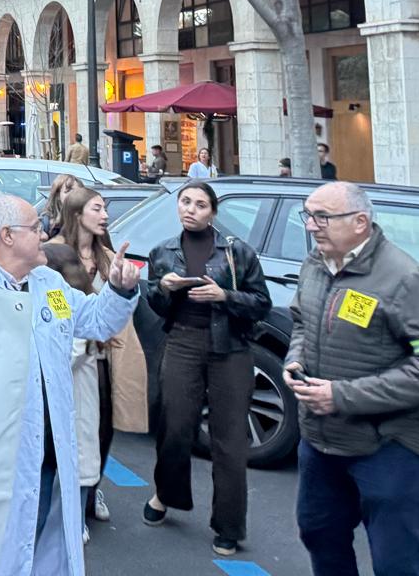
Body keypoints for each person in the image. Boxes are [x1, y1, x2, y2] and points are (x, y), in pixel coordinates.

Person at [0, 192, 140, 576]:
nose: (44, 234)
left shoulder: (49, 283)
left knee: (36, 539)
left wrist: (119, 289)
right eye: (35, 228)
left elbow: (96, 320)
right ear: (7, 235)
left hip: (45, 450)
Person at [286, 180, 419, 573]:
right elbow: (301, 321)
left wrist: (342, 396)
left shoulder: (407, 279)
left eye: (322, 217)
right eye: (308, 215)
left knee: (395, 563)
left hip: (389, 447)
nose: (310, 226)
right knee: (320, 536)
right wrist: (295, 360)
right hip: (320, 441)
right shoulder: (315, 263)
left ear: (360, 222)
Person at [142, 179, 269, 556]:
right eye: (185, 202)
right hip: (182, 342)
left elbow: (261, 303)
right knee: (174, 427)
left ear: (213, 212)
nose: (190, 209)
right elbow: (156, 306)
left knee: (229, 439)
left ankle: (228, 526)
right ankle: (166, 494)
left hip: (230, 347)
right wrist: (163, 289)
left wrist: (224, 295)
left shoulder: (237, 251)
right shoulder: (163, 251)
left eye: (200, 204)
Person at [54, 185, 150, 528]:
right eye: (97, 208)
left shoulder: (107, 255)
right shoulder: (54, 254)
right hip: (72, 360)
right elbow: (57, 309)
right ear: (77, 213)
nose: (105, 215)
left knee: (101, 427)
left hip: (107, 356)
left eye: (105, 208)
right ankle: (68, 503)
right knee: (71, 431)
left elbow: (118, 307)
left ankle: (92, 488)